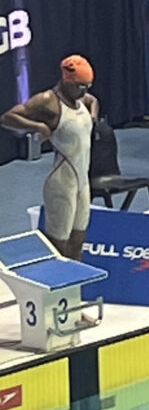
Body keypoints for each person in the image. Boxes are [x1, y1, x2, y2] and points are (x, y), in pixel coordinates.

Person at [1, 56, 99, 260]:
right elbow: (7, 118)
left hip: (83, 182)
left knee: (78, 241)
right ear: (67, 81)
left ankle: (76, 280)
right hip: (61, 183)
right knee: (59, 243)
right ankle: (54, 279)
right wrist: (37, 126)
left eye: (87, 87)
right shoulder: (48, 101)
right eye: (80, 87)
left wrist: (93, 115)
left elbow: (93, 101)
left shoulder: (81, 100)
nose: (84, 92)